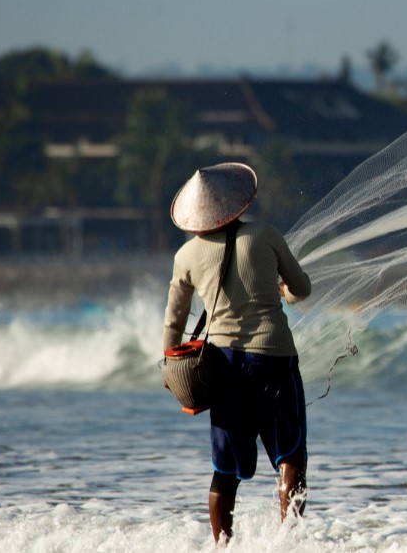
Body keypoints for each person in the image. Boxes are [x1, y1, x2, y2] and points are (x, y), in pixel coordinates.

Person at [162, 162, 312, 544]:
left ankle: (222, 546)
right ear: (237, 204)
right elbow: (302, 288)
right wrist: (280, 291)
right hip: (274, 357)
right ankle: (288, 544)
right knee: (290, 456)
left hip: (223, 367)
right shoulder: (265, 235)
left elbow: (173, 324)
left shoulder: (186, 257)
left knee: (224, 471)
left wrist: (169, 369)